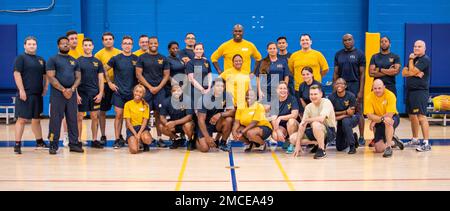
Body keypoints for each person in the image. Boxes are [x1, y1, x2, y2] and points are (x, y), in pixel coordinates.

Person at [46, 36, 84, 154]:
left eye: (67, 43)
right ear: (58, 45)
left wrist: (72, 89)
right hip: (58, 94)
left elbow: (78, 77)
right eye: (63, 43)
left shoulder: (74, 60)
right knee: (55, 120)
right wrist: (63, 90)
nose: (66, 45)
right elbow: (51, 77)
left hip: (71, 94)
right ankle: (53, 144)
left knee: (73, 119)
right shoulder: (53, 59)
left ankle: (73, 144)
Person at [13, 36, 49, 154]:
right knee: (22, 119)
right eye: (29, 44)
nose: (32, 46)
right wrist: (22, 90)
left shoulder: (41, 60)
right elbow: (17, 74)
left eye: (34, 44)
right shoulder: (21, 58)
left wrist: (45, 87)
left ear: (36, 46)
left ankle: (39, 141)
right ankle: (17, 144)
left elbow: (45, 75)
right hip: (25, 94)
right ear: (25, 45)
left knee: (36, 120)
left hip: (37, 95)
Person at [104, 36, 138, 149]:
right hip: (119, 92)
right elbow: (103, 69)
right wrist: (109, 83)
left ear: (132, 46)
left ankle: (131, 137)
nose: (127, 45)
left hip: (132, 93)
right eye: (125, 43)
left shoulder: (136, 59)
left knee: (132, 117)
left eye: (129, 43)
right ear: (122, 45)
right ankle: (117, 139)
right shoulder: (116, 58)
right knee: (119, 115)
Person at [136, 36, 170, 147]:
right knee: (143, 114)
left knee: (159, 115)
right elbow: (138, 74)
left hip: (160, 91)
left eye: (155, 43)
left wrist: (158, 87)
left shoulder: (163, 58)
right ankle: (142, 138)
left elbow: (166, 75)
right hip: (146, 91)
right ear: (148, 44)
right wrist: (150, 87)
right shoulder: (142, 57)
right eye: (151, 43)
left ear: (158, 44)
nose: (153, 45)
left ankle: (160, 138)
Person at [333, 34, 366, 146]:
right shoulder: (338, 54)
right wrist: (335, 87)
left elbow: (362, 74)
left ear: (353, 40)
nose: (347, 42)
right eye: (345, 40)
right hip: (341, 85)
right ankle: (345, 135)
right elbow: (336, 72)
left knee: (358, 111)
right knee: (341, 110)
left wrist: (361, 91)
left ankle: (361, 136)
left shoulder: (360, 54)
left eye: (349, 39)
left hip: (355, 84)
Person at [402, 40, 431, 152]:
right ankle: (415, 140)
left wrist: (410, 61)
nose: (416, 48)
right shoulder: (415, 59)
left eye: (419, 46)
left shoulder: (425, 59)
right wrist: (412, 71)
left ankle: (426, 143)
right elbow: (404, 73)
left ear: (424, 48)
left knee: (421, 116)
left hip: (420, 91)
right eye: (415, 46)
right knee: (412, 116)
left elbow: (412, 71)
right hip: (410, 91)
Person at [291, 85, 336, 159]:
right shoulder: (308, 107)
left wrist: (306, 120)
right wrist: (297, 144)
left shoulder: (326, 102)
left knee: (315, 123)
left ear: (321, 94)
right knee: (293, 138)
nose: (313, 96)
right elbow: (302, 125)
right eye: (311, 94)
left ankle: (321, 149)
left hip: (329, 131)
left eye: (315, 94)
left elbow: (321, 119)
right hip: (315, 130)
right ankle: (318, 143)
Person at [76, 38, 105, 149]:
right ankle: (78, 140)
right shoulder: (78, 61)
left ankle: (94, 139)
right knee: (79, 117)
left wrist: (101, 93)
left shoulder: (97, 62)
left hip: (94, 93)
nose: (87, 47)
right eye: (85, 45)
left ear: (93, 46)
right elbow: (75, 79)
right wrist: (76, 94)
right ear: (82, 47)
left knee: (94, 116)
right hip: (82, 93)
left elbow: (101, 79)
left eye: (89, 45)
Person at [95, 32, 121, 145]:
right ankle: (103, 135)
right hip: (104, 85)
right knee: (102, 112)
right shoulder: (98, 55)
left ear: (113, 40)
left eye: (110, 39)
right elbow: (99, 72)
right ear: (102, 41)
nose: (108, 41)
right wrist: (106, 84)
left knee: (119, 112)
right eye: (106, 39)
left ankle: (119, 135)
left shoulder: (119, 53)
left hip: (118, 84)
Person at [366, 79, 404, 157]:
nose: (377, 90)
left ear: (384, 87)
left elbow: (390, 114)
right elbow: (369, 115)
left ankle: (388, 148)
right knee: (379, 149)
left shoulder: (390, 95)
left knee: (388, 120)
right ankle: (393, 141)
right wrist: (378, 120)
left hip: (392, 118)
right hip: (379, 120)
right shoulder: (369, 97)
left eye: (379, 88)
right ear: (372, 88)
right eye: (375, 88)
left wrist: (375, 120)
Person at [197, 78, 235, 152]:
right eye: (217, 86)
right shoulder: (204, 98)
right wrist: (207, 137)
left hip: (217, 123)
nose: (220, 88)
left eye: (222, 86)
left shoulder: (227, 95)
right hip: (205, 124)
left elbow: (232, 111)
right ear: (212, 87)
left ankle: (222, 143)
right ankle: (196, 139)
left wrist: (220, 114)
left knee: (229, 119)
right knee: (204, 149)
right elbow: (201, 120)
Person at [159, 85, 196, 150]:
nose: (176, 92)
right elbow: (162, 117)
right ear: (171, 92)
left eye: (178, 90)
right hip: (174, 125)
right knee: (161, 127)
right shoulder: (166, 101)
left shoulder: (187, 100)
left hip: (185, 123)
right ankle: (177, 139)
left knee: (187, 125)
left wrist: (174, 123)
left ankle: (190, 140)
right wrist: (167, 124)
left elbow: (189, 117)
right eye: (174, 91)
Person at [328, 78, 358, 154]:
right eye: (337, 83)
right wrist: (345, 112)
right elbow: (331, 115)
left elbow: (351, 113)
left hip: (353, 118)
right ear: (334, 86)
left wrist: (338, 113)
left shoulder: (351, 96)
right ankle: (353, 137)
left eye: (341, 83)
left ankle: (352, 146)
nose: (339, 85)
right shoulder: (331, 97)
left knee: (346, 121)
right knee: (339, 147)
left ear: (345, 86)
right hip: (341, 120)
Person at [268, 82, 299, 153]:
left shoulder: (292, 99)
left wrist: (280, 118)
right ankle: (287, 140)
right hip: (282, 126)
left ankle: (292, 144)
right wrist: (277, 130)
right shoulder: (274, 101)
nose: (283, 90)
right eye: (280, 88)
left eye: (284, 88)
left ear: (287, 90)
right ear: (277, 90)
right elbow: (273, 118)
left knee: (291, 121)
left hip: (293, 124)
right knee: (275, 135)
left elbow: (294, 115)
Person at [123, 84, 153, 154]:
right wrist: (135, 134)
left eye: (140, 92)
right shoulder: (127, 104)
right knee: (134, 151)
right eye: (137, 91)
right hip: (132, 129)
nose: (138, 93)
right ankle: (135, 142)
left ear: (143, 94)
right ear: (133, 92)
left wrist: (139, 133)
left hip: (142, 128)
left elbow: (145, 122)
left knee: (148, 139)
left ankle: (143, 142)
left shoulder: (146, 105)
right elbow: (128, 123)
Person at [186, 43, 212, 109]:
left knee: (207, 108)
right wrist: (202, 90)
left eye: (200, 49)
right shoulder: (190, 63)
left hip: (207, 90)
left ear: (203, 50)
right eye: (197, 49)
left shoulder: (206, 61)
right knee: (198, 110)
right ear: (194, 50)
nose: (199, 51)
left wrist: (209, 87)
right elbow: (191, 79)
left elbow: (209, 75)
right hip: (195, 90)